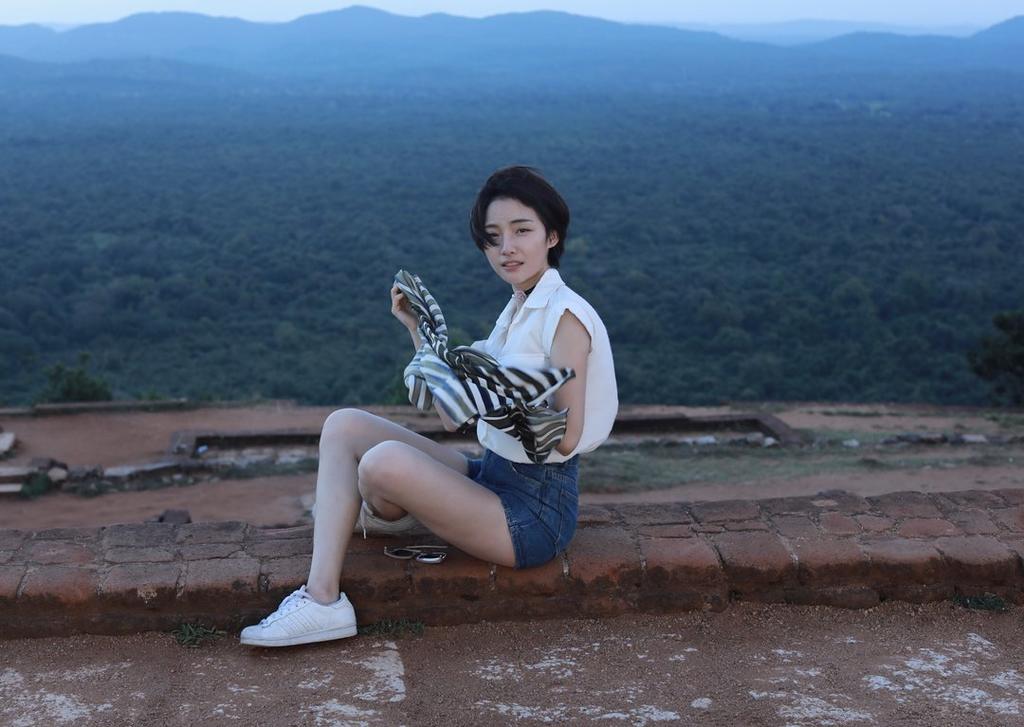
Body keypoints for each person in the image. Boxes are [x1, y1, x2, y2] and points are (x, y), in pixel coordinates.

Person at [240, 165, 617, 647]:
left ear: (552, 235)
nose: (507, 248)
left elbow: (564, 435)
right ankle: (341, 567)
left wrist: (483, 395)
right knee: (345, 426)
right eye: (493, 237)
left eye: (522, 231)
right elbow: (449, 413)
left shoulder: (565, 317)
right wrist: (420, 333)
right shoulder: (519, 309)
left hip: (534, 515)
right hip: (493, 475)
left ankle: (325, 595)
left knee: (380, 465)